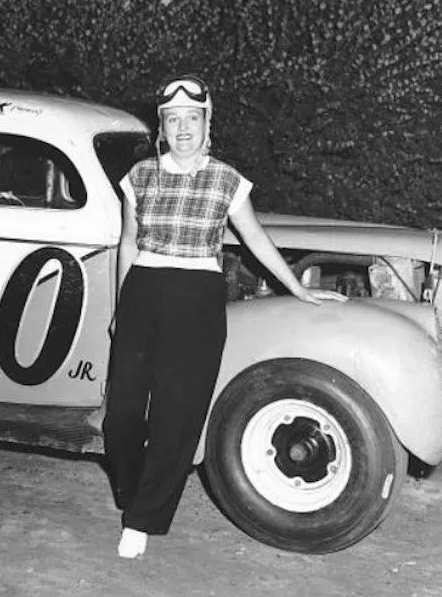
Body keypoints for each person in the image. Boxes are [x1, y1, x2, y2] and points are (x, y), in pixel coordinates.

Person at [102, 74, 346, 559]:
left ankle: (143, 519)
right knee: (122, 416)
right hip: (142, 291)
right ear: (163, 128)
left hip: (196, 296)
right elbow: (128, 243)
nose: (183, 128)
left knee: (177, 413)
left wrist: (297, 286)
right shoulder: (140, 176)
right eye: (173, 121)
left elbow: (254, 238)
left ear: (206, 123)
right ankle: (133, 495)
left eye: (192, 119)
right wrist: (119, 305)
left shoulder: (226, 179)